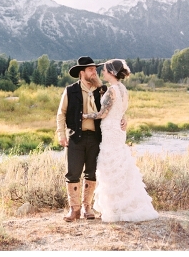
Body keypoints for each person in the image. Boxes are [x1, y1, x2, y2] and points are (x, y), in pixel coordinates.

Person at [82, 59, 159, 222]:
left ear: (111, 72)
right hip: (118, 129)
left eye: (104, 70)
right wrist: (123, 118)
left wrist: (84, 115)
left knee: (109, 165)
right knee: (120, 163)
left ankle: (115, 207)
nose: (102, 73)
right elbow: (121, 109)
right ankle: (124, 205)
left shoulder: (112, 91)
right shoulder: (123, 89)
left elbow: (102, 114)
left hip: (110, 129)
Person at [55, 56, 126, 222]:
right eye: (91, 70)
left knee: (91, 172)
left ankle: (87, 207)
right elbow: (61, 113)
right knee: (73, 173)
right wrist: (61, 134)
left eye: (95, 69)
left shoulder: (102, 90)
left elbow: (115, 108)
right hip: (75, 137)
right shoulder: (70, 90)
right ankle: (74, 209)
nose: (95, 72)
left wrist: (123, 118)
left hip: (96, 137)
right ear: (82, 73)